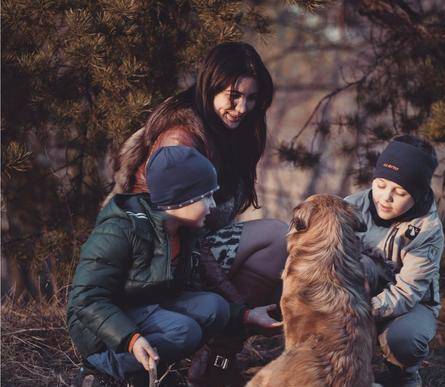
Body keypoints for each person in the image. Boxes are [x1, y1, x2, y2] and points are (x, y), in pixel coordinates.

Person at [68, 146, 281, 387]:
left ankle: (146, 369)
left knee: (215, 307)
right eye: (206, 196)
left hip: (143, 305)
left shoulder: (184, 231)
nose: (212, 205)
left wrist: (245, 315)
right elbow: (86, 299)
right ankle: (101, 371)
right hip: (99, 326)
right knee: (184, 331)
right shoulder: (121, 229)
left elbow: (189, 288)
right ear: (181, 199)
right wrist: (131, 339)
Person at [105, 41, 287, 308]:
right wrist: (236, 304)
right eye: (233, 95)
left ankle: (223, 340)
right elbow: (170, 231)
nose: (242, 108)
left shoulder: (230, 132)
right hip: (161, 258)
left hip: (195, 246)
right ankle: (223, 333)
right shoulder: (180, 140)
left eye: (251, 98)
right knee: (276, 236)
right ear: (211, 86)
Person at [345, 135, 444, 387]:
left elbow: (408, 291)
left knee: (404, 340)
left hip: (410, 305)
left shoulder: (427, 228)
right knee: (363, 266)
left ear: (417, 193)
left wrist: (359, 311)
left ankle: (405, 376)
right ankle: (350, 369)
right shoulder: (350, 207)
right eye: (380, 184)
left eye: (399, 192)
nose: (385, 197)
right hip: (356, 296)